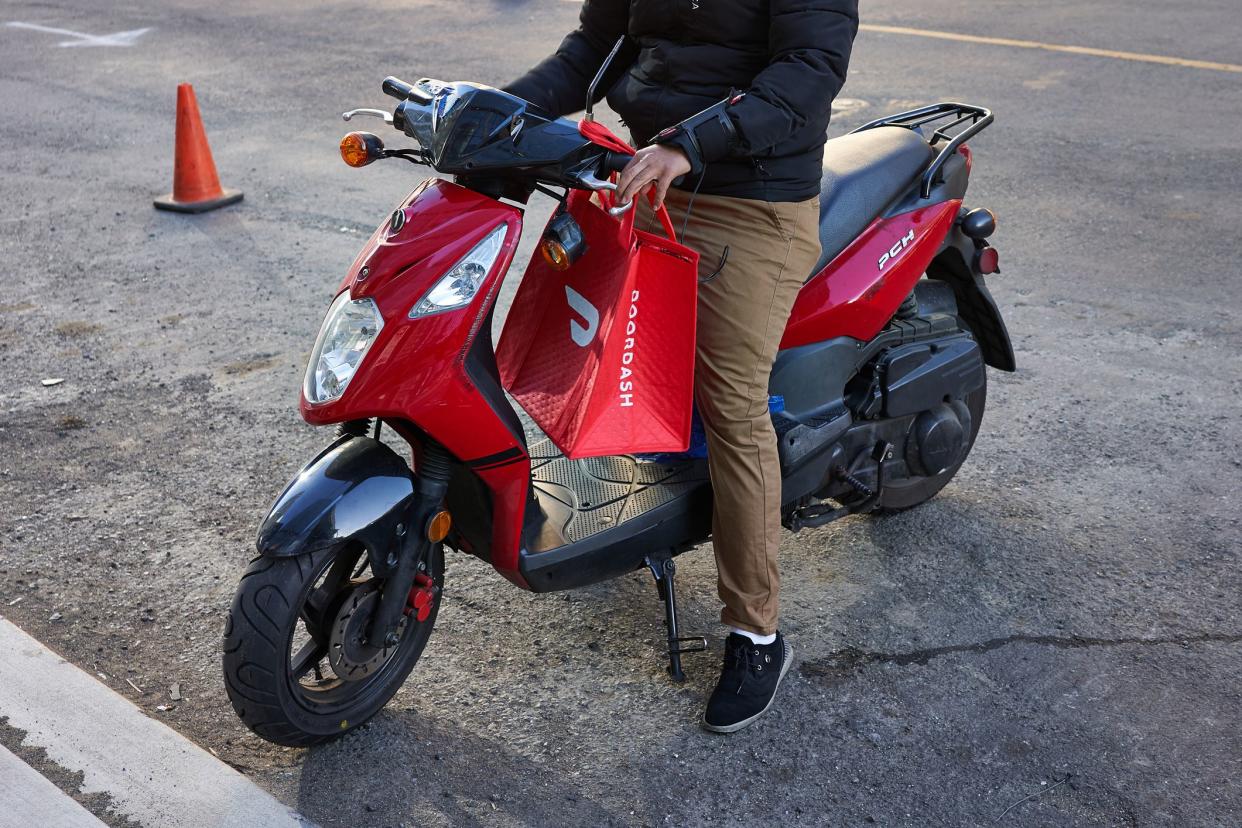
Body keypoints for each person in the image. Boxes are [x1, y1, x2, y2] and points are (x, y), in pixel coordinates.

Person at [506, 0, 858, 732]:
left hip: (750, 202)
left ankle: (757, 631)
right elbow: (594, 47)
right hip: (649, 175)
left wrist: (691, 144)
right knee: (603, 355)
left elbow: (807, 69)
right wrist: (497, 112)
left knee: (732, 407)